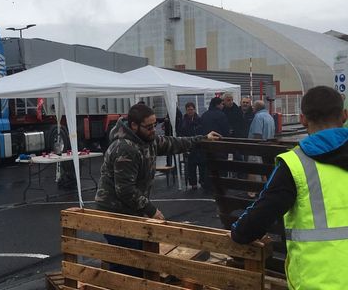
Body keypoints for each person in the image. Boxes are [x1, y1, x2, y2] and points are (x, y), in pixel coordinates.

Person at [231, 86, 348, 289]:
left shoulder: (296, 165)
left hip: (317, 282)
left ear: (303, 119)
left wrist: (237, 231)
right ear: (344, 116)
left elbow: (251, 225)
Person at [95, 103, 221, 276]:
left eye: (155, 125)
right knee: (128, 263)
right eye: (148, 127)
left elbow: (173, 143)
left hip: (132, 211)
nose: (153, 130)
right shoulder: (125, 149)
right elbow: (125, 190)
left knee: (141, 256)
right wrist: (151, 210)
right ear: (134, 126)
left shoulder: (148, 140)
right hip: (114, 212)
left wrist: (202, 139)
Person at [179, 102, 205, 190]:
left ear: (194, 110)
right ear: (186, 110)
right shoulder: (183, 121)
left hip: (199, 145)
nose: (190, 111)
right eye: (188, 110)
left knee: (202, 165)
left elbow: (202, 131)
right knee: (191, 166)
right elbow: (181, 133)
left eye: (191, 109)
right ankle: (193, 183)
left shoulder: (199, 119)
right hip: (188, 146)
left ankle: (202, 181)